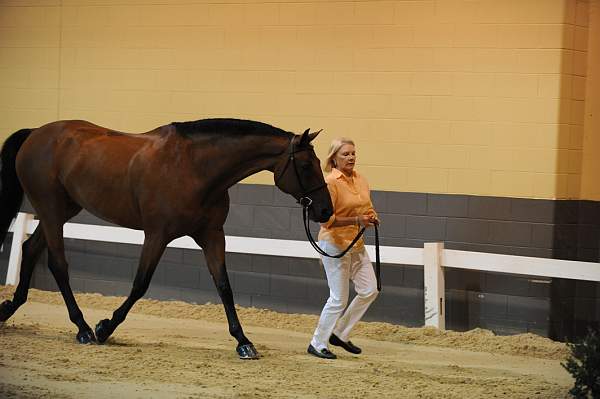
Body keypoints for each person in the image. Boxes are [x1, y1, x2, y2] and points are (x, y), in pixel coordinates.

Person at [307, 137, 380, 360]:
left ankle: (340, 333)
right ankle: (317, 343)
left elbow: (367, 207)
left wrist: (371, 216)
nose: (351, 157)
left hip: (356, 244)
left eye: (353, 153)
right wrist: (358, 220)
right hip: (335, 244)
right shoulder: (330, 182)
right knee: (338, 298)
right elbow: (326, 221)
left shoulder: (360, 180)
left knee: (370, 290)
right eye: (345, 154)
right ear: (334, 159)